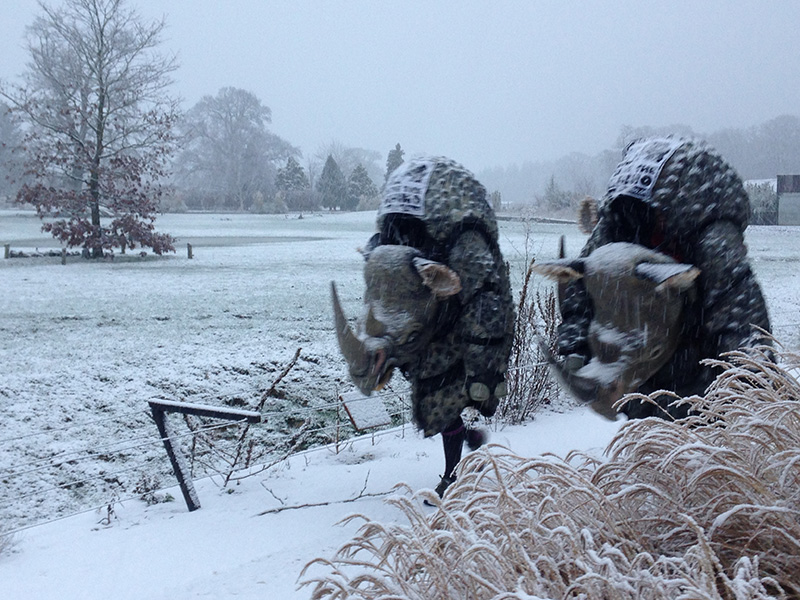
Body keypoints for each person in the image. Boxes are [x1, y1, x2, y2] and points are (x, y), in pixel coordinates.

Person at [558, 136, 771, 419]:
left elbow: (742, 321)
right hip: (651, 365)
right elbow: (581, 289)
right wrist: (576, 349)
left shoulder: (713, 237)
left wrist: (750, 399)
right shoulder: (615, 222)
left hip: (700, 373)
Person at [366, 156, 515, 496]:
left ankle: (452, 474)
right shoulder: (396, 242)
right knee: (438, 404)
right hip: (426, 325)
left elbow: (484, 298)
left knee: (444, 405)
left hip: (454, 329)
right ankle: (467, 437)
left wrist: (485, 365)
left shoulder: (462, 243)